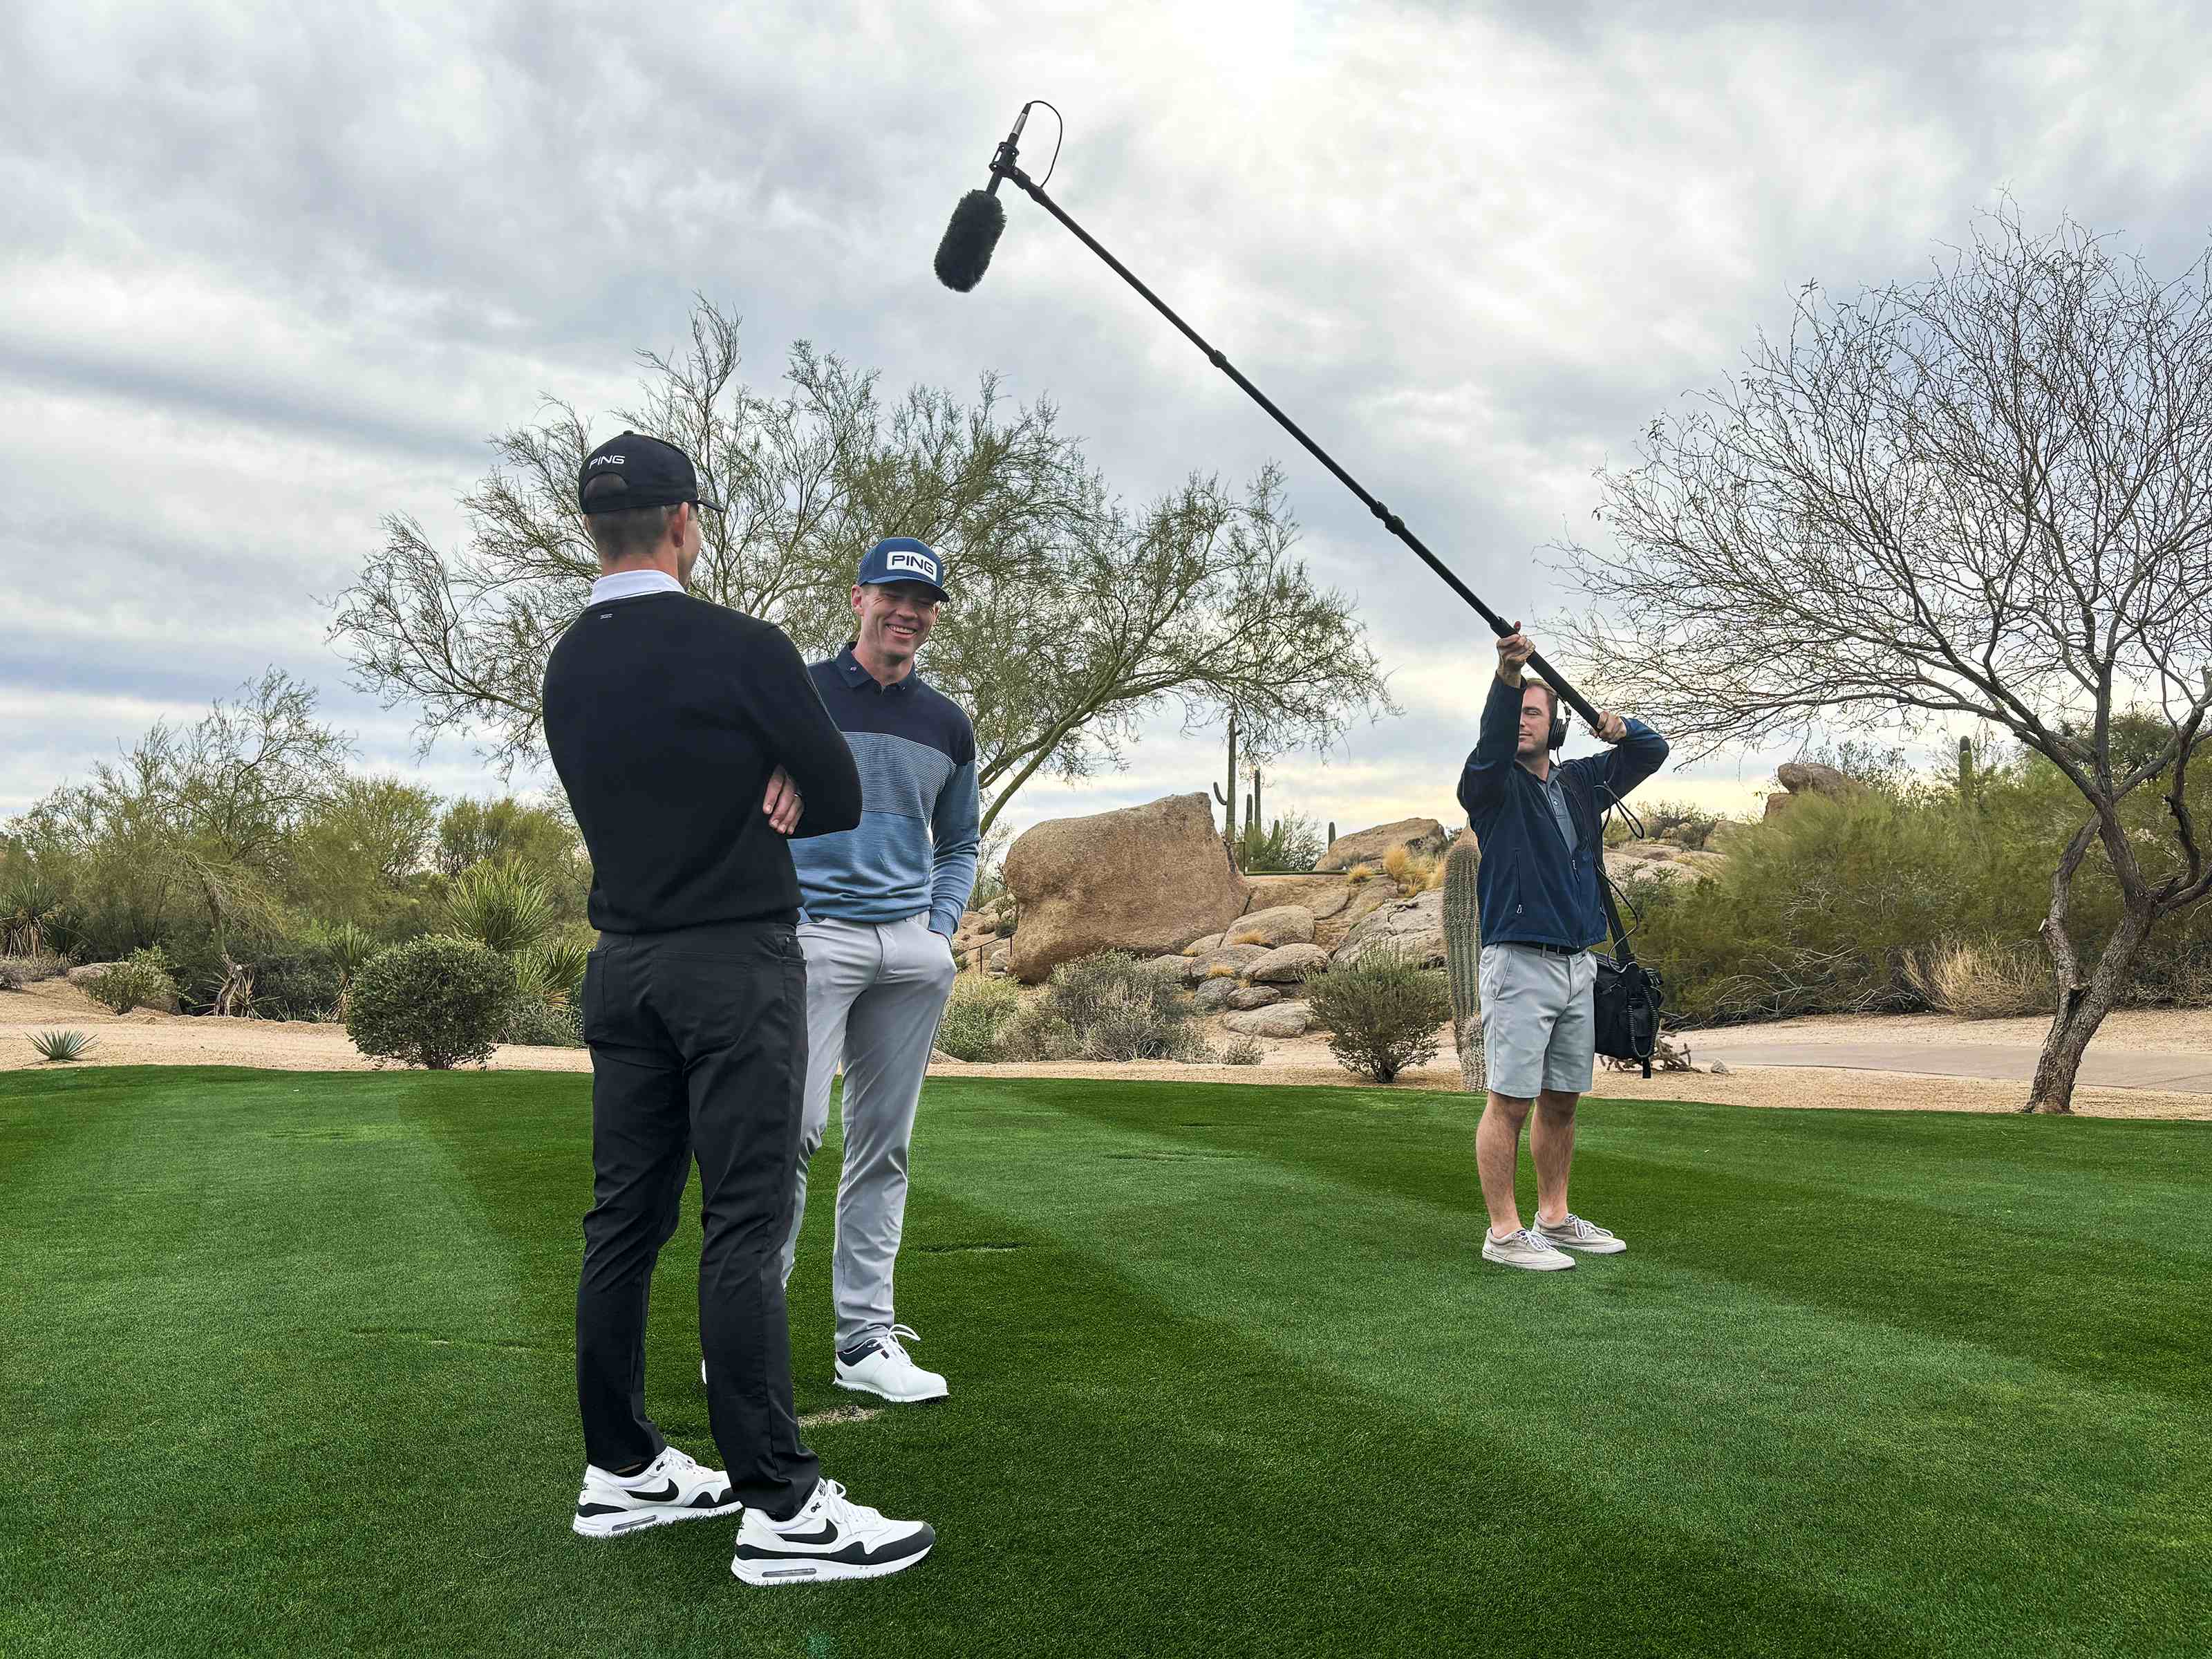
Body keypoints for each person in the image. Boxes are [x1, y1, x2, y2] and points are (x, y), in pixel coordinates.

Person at [542, 431, 933, 1585]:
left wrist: (768, 781)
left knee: (623, 1225)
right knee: (745, 1224)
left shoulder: (569, 662)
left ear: (593, 529)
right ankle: (783, 1508)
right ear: (684, 524)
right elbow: (842, 790)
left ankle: (622, 1471)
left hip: (622, 970)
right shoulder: (743, 647)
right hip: (731, 968)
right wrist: (782, 786)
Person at [781, 536, 979, 1404]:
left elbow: (962, 841)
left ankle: (862, 1341)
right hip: (812, 936)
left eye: (923, 601)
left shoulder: (947, 722)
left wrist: (937, 931)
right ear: (857, 598)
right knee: (786, 1135)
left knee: (883, 1148)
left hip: (907, 947)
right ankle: (745, 1333)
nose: (907, 611)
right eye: (892, 594)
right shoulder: (801, 694)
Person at [1456, 621, 1669, 1271]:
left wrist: (1620, 724)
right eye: (1517, 712)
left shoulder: (1580, 783)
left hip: (1580, 963)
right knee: (1511, 1100)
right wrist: (1508, 674)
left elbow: (1651, 752)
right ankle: (1504, 1232)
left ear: (1557, 725)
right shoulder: (1491, 786)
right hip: (1519, 961)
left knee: (1562, 1099)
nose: (1523, 721)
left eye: (1534, 713)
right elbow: (1492, 743)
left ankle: (1554, 1216)